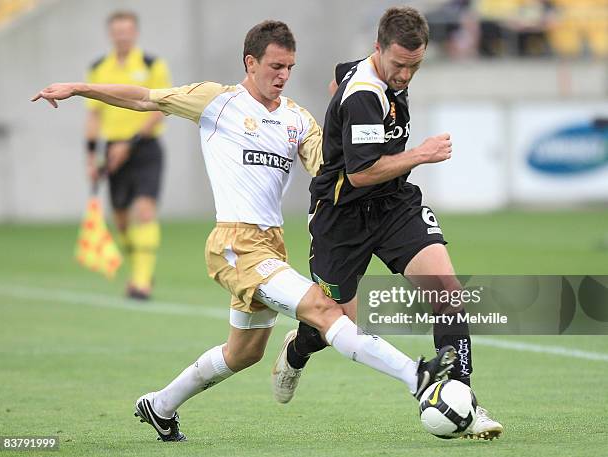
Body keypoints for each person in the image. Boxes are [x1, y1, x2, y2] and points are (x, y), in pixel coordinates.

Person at [33, 20, 456, 442]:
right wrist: (79, 87)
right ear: (250, 62)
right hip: (235, 243)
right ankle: (417, 377)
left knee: (245, 353)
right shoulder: (217, 101)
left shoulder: (298, 120)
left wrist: (347, 117)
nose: (283, 76)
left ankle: (160, 405)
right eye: (275, 66)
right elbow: (146, 98)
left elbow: (332, 171)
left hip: (271, 244)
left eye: (289, 67)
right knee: (325, 310)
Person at [271, 7, 503, 440]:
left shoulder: (370, 71)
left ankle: (464, 403)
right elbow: (360, 173)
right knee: (337, 324)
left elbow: (340, 75)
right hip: (342, 218)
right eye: (398, 65)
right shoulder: (363, 94)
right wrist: (421, 153)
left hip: (394, 206)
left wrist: (338, 95)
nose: (405, 75)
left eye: (415, 66)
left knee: (448, 294)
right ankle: (296, 351)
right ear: (378, 49)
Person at [86, 11, 171, 300]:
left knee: (145, 210)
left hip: (145, 149)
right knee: (121, 220)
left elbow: (161, 109)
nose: (122, 36)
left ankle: (142, 281)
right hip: (112, 149)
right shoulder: (98, 67)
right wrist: (90, 156)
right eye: (117, 31)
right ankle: (138, 268)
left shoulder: (151, 65)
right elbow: (94, 115)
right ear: (111, 34)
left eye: (127, 31)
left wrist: (130, 144)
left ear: (135, 33)